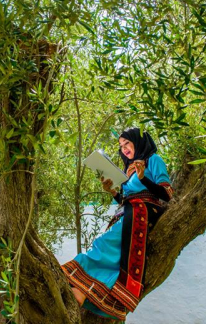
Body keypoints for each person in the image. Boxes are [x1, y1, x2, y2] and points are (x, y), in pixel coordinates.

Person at [61, 128, 174, 320]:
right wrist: (113, 192)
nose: (124, 149)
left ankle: (81, 273)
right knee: (108, 245)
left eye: (127, 144)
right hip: (127, 214)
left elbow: (166, 194)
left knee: (104, 242)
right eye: (121, 146)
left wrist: (143, 178)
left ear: (138, 143)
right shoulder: (128, 168)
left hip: (144, 213)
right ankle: (83, 290)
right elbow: (124, 198)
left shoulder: (152, 160)